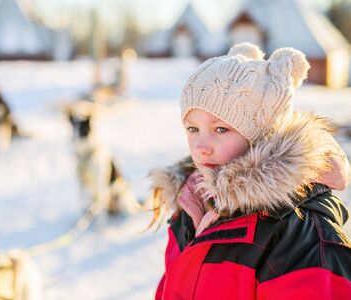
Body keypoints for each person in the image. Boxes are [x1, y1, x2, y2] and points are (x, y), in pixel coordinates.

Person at [149, 43, 351, 299]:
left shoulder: (298, 233)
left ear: (259, 135)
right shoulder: (193, 202)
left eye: (220, 129)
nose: (201, 147)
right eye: (192, 129)